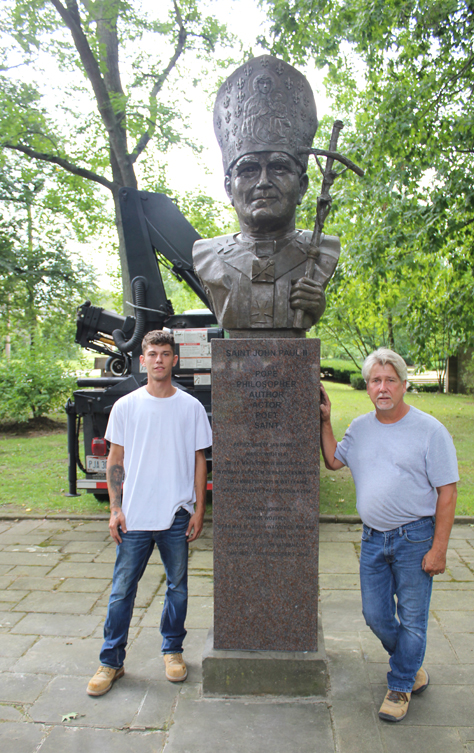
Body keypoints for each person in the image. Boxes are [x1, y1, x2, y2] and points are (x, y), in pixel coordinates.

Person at [320, 348, 458, 723]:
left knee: (413, 620)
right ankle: (410, 664)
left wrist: (439, 549)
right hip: (373, 540)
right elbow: (334, 460)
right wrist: (326, 421)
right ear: (367, 387)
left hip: (416, 539)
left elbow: (448, 491)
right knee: (375, 616)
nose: (383, 388)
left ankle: (399, 686)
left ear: (404, 385)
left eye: (390, 380)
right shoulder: (361, 428)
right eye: (376, 381)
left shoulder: (430, 431)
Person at [86, 330, 212, 696]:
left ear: (175, 360)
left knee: (178, 589)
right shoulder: (126, 406)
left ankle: (172, 651)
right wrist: (114, 508)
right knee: (122, 591)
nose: (159, 359)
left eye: (165, 353)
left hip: (175, 514)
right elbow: (115, 459)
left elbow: (199, 460)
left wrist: (199, 509)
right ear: (142, 361)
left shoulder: (190, 408)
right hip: (135, 515)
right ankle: (111, 661)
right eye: (152, 353)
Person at [192, 55, 340, 338]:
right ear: (228, 188)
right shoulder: (207, 255)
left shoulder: (322, 251)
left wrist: (315, 304)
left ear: (304, 185)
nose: (263, 182)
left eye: (279, 167)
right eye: (248, 170)